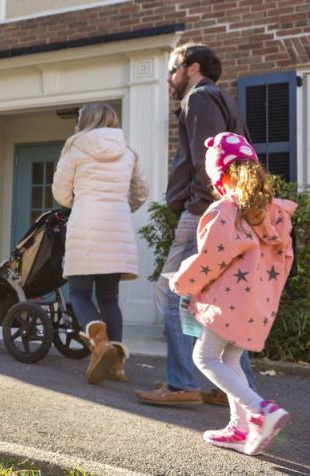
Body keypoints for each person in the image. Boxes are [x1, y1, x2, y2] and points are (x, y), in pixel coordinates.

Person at [135, 43, 257, 406]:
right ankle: (231, 386)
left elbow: (211, 158)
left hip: (204, 211)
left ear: (192, 67)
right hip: (221, 209)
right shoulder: (220, 99)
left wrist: (196, 205)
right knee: (216, 298)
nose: (170, 78)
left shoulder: (200, 98)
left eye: (173, 68)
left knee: (170, 291)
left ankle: (182, 384)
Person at [169, 132, 294, 455]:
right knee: (230, 357)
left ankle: (261, 410)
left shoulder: (227, 209)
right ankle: (240, 428)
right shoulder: (277, 213)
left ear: (221, 174)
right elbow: (284, 262)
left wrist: (181, 283)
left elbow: (210, 258)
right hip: (258, 303)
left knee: (204, 357)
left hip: (228, 302)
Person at [52, 102, 148, 384]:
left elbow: (60, 192)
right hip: (117, 226)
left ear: (85, 121)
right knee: (109, 298)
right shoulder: (128, 153)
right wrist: (120, 205)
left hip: (85, 225)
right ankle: (117, 365)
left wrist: (80, 201)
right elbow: (141, 192)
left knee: (80, 294)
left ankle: (98, 340)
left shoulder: (74, 149)